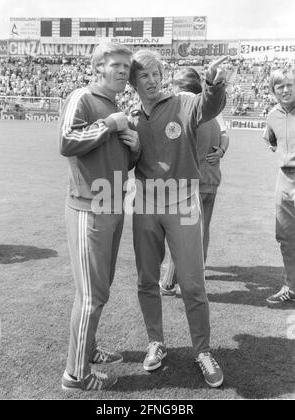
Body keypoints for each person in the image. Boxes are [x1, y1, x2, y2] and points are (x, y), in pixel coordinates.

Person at [129, 50, 227, 388]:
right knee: (146, 280)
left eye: (156, 73)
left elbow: (209, 107)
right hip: (144, 205)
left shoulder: (185, 101)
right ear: (134, 82)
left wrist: (212, 84)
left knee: (193, 283)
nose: (153, 80)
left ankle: (202, 350)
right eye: (145, 75)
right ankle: (156, 342)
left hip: (184, 203)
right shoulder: (130, 115)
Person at [59, 42, 140, 392]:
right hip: (88, 208)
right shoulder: (83, 97)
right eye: (116, 65)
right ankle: (75, 376)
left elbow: (117, 162)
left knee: (99, 291)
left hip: (112, 207)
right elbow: (67, 140)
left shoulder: (115, 106)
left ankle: (88, 350)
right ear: (98, 67)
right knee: (91, 295)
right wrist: (109, 124)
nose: (124, 71)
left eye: (127, 66)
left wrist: (133, 148)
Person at [159, 67, 229, 297]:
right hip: (211, 179)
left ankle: (170, 282)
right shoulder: (213, 112)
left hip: (190, 182)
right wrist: (220, 151)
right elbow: (223, 138)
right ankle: (197, 270)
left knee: (181, 233)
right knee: (202, 229)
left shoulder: (184, 109)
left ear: (178, 87)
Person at [263, 67, 295, 305]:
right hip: (283, 179)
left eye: (290, 84)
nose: (285, 90)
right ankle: (292, 287)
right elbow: (270, 139)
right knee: (285, 236)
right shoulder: (272, 115)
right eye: (280, 86)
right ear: (273, 90)